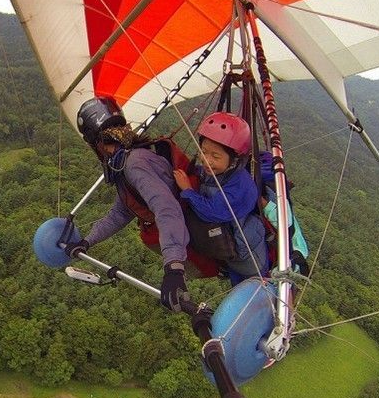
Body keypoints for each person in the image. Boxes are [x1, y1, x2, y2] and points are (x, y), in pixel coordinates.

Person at [63, 96, 191, 312]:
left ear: (98, 143)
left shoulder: (134, 164)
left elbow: (165, 207)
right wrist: (87, 242)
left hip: (193, 226)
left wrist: (174, 267)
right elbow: (122, 212)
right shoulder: (124, 163)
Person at [172, 112, 269, 285]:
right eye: (203, 151)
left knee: (253, 293)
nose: (207, 160)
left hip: (250, 260)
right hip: (231, 254)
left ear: (234, 160)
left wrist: (187, 190)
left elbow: (212, 213)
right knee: (235, 285)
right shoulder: (217, 171)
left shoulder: (240, 185)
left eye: (215, 157)